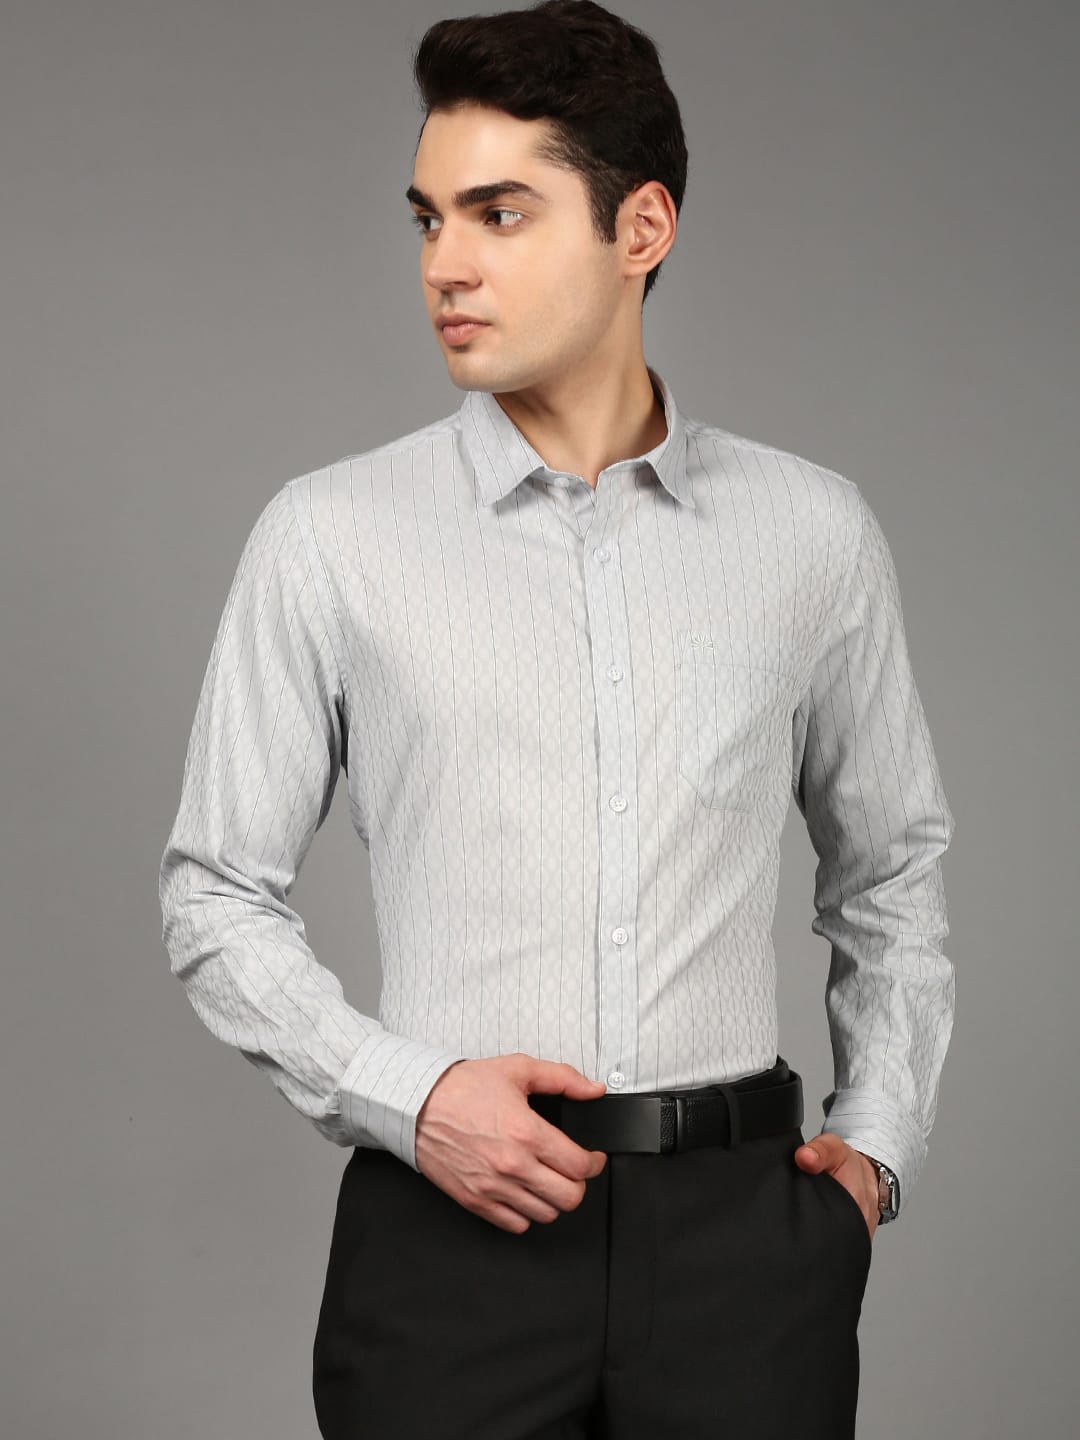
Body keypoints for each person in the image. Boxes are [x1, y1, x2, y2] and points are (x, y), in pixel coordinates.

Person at [157, 2, 957, 1436]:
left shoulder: (812, 533)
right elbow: (213, 892)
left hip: (745, 1257)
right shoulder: (330, 536)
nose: (443, 265)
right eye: (428, 219)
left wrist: (878, 1147)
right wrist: (411, 1098)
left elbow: (890, 870)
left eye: (500, 214)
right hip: (448, 1247)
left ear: (639, 227)